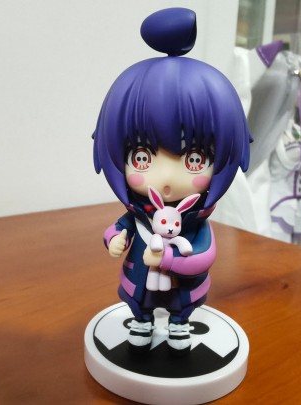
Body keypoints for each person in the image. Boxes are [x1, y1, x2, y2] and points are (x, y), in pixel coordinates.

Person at [92, 8, 251, 355]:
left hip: (183, 287)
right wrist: (114, 239)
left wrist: (168, 262)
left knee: (183, 306)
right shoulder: (138, 214)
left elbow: (204, 257)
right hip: (140, 284)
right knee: (141, 307)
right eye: (142, 157)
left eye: (194, 159)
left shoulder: (196, 221)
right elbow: (117, 229)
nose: (166, 177)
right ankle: (143, 322)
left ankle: (179, 324)